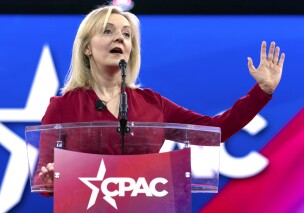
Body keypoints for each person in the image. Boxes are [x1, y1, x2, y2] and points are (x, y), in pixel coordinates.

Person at [36, 5, 285, 189]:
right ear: (87, 48)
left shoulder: (151, 103)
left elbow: (214, 131)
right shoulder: (62, 107)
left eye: (126, 34)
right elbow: (42, 176)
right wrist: (50, 179)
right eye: (107, 31)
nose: (119, 38)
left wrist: (261, 92)